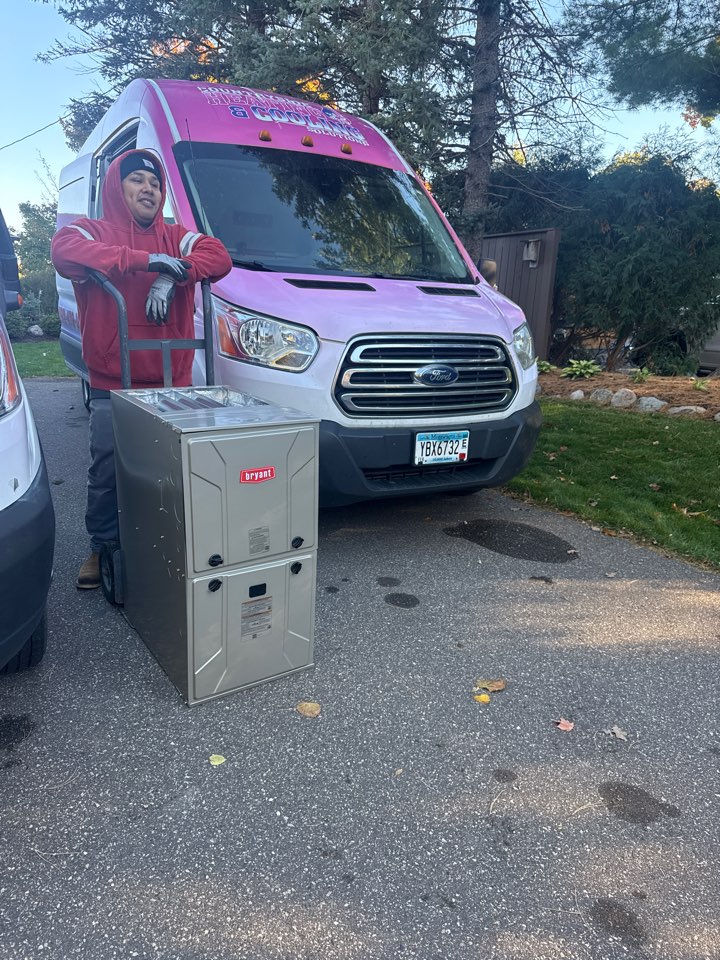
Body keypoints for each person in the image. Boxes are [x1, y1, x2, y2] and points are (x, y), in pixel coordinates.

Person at [52, 149, 232, 589]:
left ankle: (166, 543)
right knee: (109, 468)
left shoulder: (178, 237)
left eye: (154, 184)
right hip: (113, 382)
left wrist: (177, 273)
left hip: (172, 380)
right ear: (117, 186)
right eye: (137, 181)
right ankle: (102, 546)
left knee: (173, 471)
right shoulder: (90, 231)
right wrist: (145, 263)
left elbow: (219, 256)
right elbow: (63, 252)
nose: (148, 189)